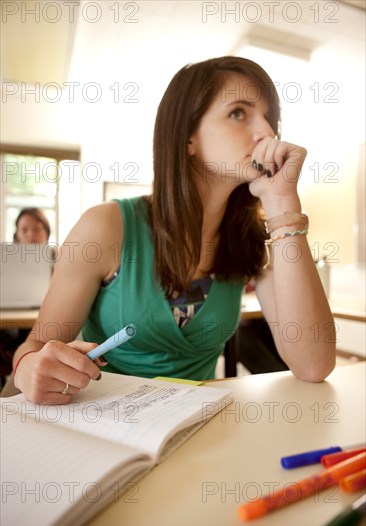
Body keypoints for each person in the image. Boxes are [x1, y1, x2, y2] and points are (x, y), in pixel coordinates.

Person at [12, 56, 336, 404]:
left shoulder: (250, 239)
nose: (267, 133)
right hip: (107, 426)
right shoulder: (105, 226)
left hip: (195, 429)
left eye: (270, 119)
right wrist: (29, 366)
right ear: (187, 138)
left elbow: (313, 365)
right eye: (239, 113)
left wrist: (283, 203)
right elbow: (35, 348)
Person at [0, 208, 51, 388]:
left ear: (46, 231)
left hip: (44, 323)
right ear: (17, 234)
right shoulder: (5, 261)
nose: (31, 235)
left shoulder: (59, 258)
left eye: (37, 229)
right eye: (24, 229)